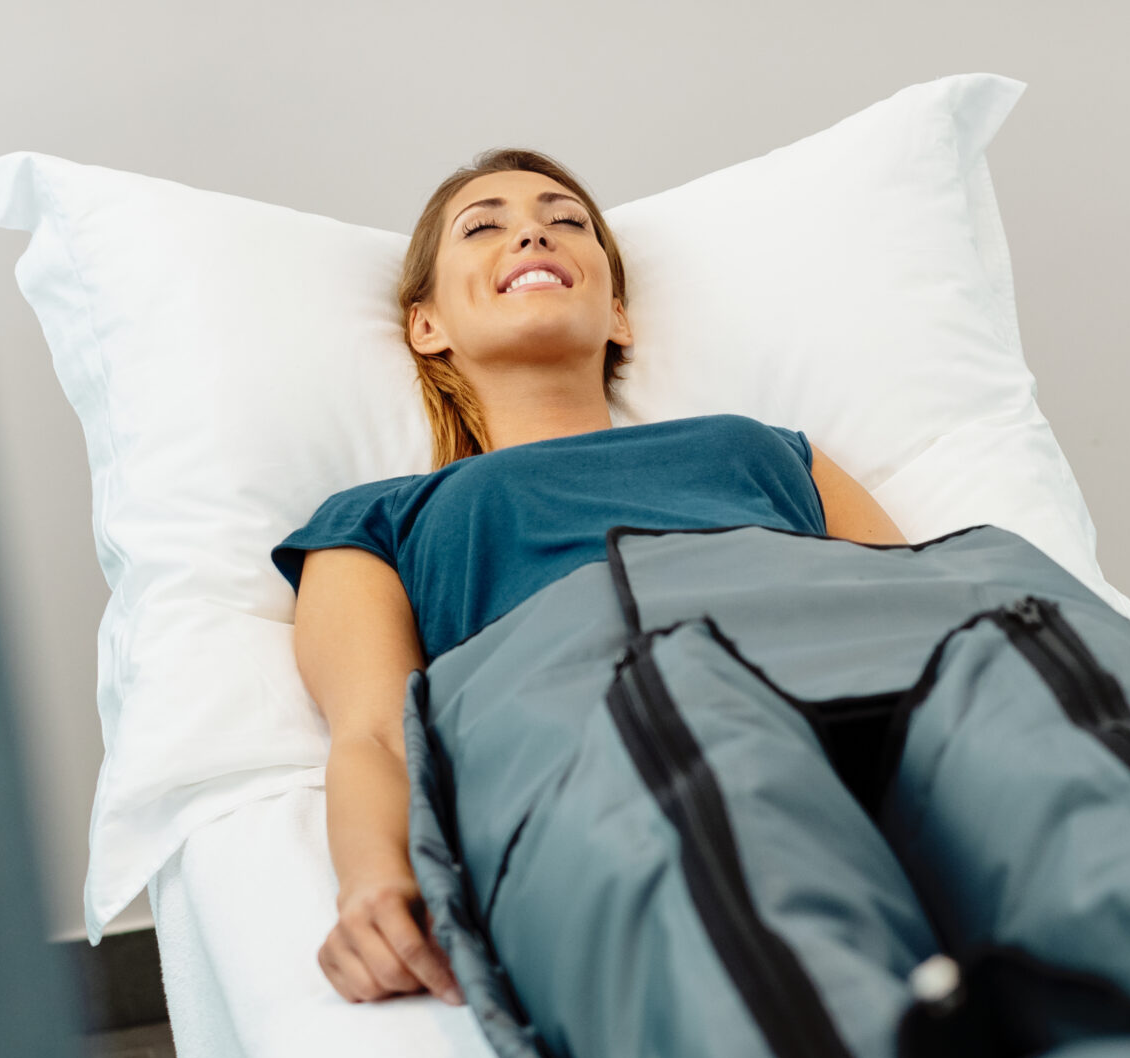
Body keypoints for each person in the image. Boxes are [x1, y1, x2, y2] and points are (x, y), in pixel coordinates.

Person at [274, 149, 905, 1006]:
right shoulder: (381, 520)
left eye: (566, 220)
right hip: (621, 755)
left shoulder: (760, 450)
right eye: (483, 225)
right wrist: (374, 883)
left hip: (837, 723)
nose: (532, 229)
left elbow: (919, 618)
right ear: (426, 327)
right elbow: (378, 736)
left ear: (617, 314)